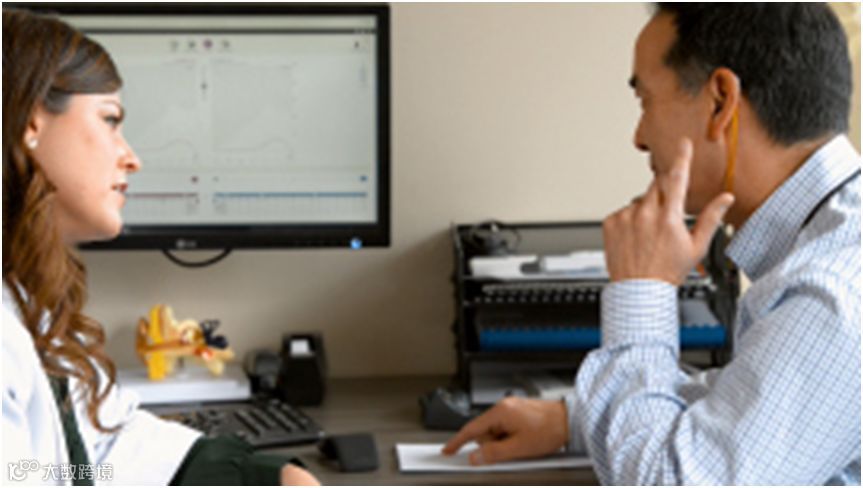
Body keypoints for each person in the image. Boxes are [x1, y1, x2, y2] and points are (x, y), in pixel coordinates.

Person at [444, 3, 860, 485]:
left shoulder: (833, 293)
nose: (639, 138)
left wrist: (642, 289)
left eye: (645, 101)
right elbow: (751, 405)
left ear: (720, 101)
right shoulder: (829, 246)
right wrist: (573, 422)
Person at [2, 8, 320, 486]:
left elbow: (102, 450)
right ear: (31, 123)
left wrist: (268, 475)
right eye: (110, 120)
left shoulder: (26, 300)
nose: (132, 158)